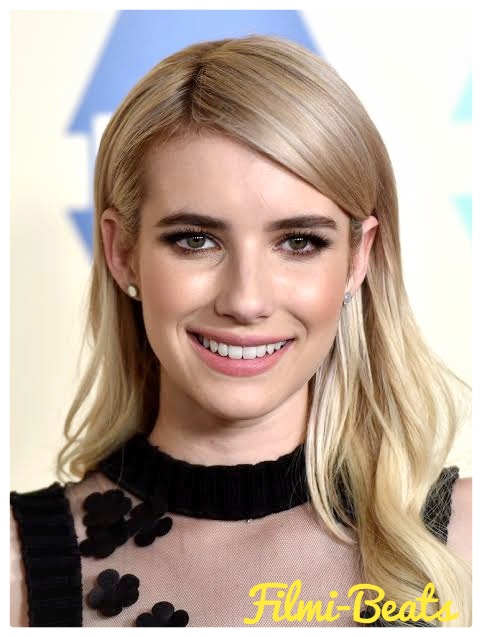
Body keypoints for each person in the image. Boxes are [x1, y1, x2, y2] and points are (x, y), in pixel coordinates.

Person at [10, 34, 471, 627]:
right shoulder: (14, 566)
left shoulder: (465, 546)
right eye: (195, 240)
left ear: (359, 258)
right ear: (123, 253)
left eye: (299, 242)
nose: (246, 301)